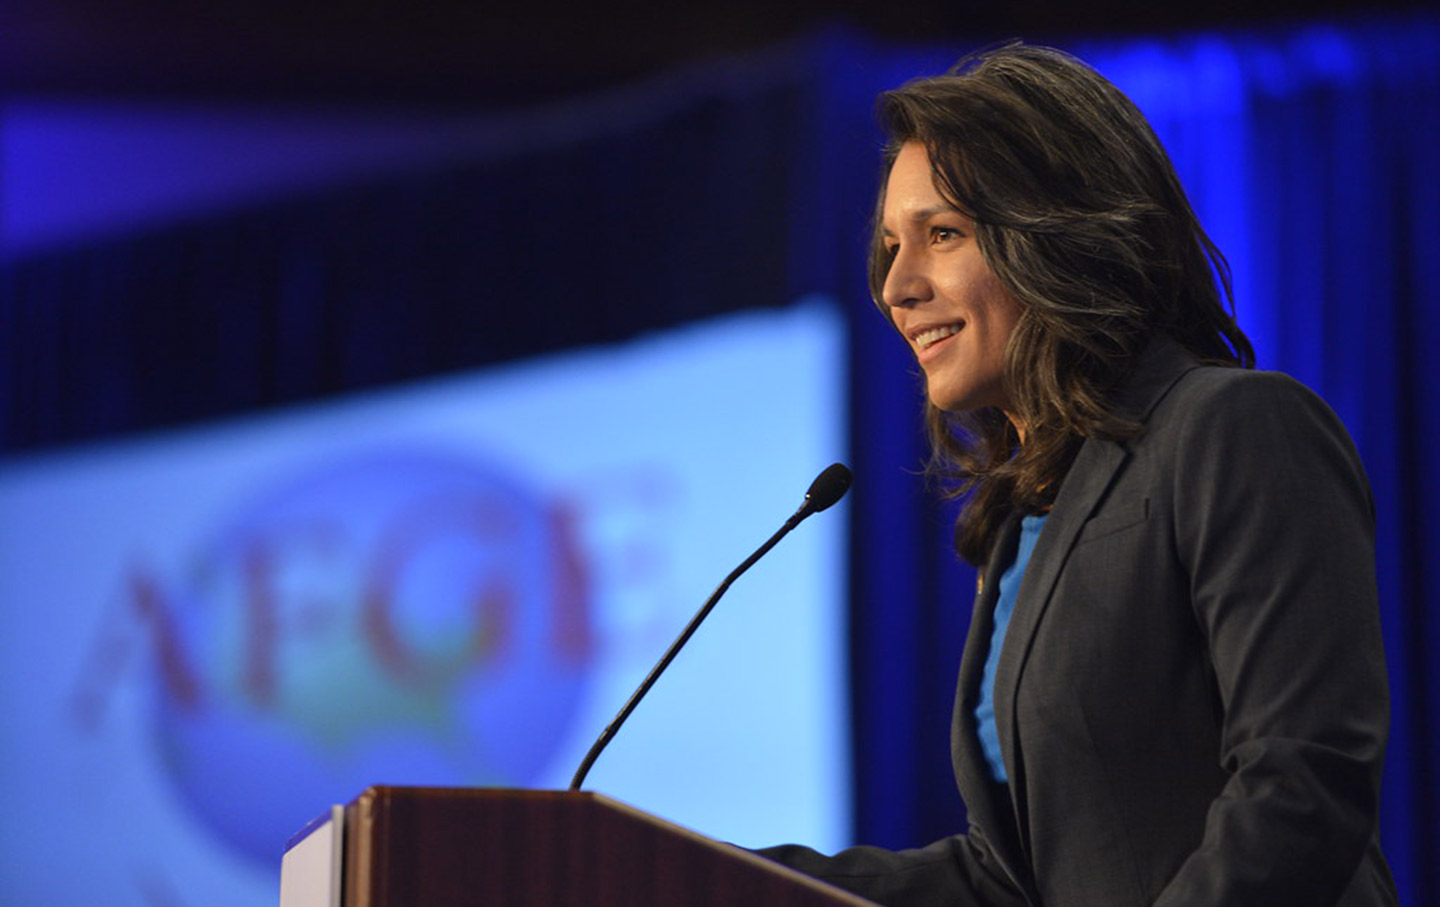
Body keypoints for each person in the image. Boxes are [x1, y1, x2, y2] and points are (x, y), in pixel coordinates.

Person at [759, 42, 1397, 906]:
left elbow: (1302, 786)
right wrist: (707, 876)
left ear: (1056, 234)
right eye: (890, 246)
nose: (896, 286)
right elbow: (1013, 879)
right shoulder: (1023, 522)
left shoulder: (1235, 430)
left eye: (942, 234)